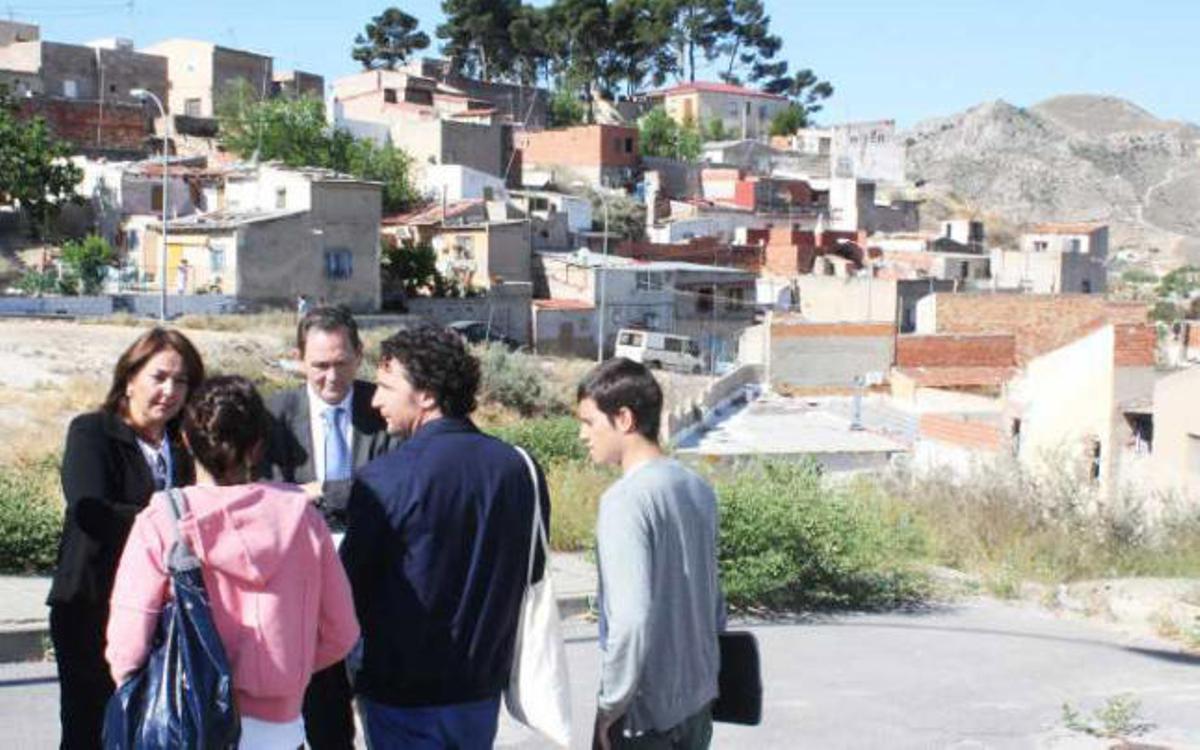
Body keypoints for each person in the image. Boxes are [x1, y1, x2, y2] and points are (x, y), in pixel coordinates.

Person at [106, 375, 361, 750]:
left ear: (187, 439)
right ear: (258, 447)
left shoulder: (164, 519)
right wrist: (291, 669)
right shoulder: (304, 518)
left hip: (190, 719)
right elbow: (341, 633)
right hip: (282, 727)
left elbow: (127, 646)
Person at [341, 325, 550, 749]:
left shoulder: (384, 479)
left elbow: (347, 592)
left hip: (401, 699)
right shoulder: (519, 469)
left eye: (386, 386)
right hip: (479, 695)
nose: (375, 399)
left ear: (428, 395)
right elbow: (532, 570)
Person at [47, 327, 205, 750]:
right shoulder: (93, 432)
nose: (170, 390)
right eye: (160, 377)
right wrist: (170, 523)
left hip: (166, 614)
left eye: (182, 381)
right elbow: (90, 509)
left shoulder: (186, 445)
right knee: (91, 729)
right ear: (130, 377)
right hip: (91, 606)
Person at [260, 305, 394, 749]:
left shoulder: (385, 409)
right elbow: (265, 497)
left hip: (375, 587)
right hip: (302, 594)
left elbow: (391, 490)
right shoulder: (272, 417)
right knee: (323, 725)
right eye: (319, 366)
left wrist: (318, 491)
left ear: (359, 354)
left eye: (341, 363)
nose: (331, 377)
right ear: (299, 359)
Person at [575, 358, 723, 750]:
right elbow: (714, 604)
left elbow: (630, 620)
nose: (581, 435)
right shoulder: (697, 488)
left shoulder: (624, 501)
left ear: (623, 418)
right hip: (696, 705)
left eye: (589, 422)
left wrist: (610, 707)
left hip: (644, 717)